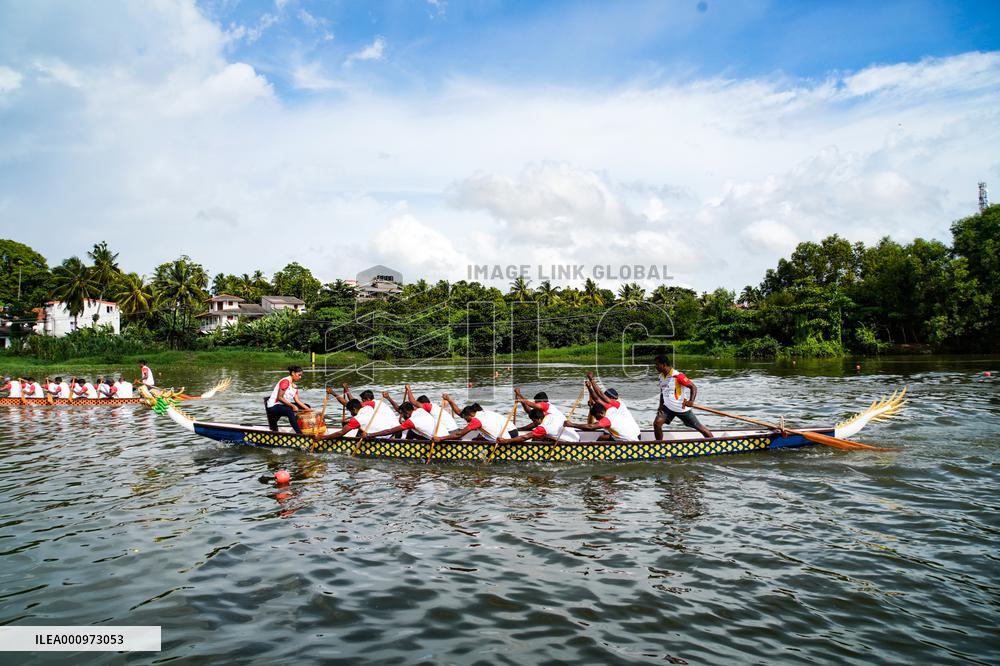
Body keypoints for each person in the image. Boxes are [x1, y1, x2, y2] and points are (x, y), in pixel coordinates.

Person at [653, 355, 713, 439]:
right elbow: (662, 392)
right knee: (657, 424)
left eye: (657, 364)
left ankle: (712, 442)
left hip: (681, 408)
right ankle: (659, 445)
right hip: (667, 408)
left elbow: (693, 387)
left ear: (664, 364)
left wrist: (691, 401)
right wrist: (660, 405)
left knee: (699, 427)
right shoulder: (661, 376)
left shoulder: (678, 376)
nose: (656, 367)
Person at [584, 372, 642, 439]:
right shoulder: (609, 408)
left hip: (631, 436)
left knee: (602, 438)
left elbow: (599, 394)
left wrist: (591, 380)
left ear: (611, 398)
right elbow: (597, 399)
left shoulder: (618, 404)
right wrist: (589, 388)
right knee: (603, 437)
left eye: (605, 398)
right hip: (631, 434)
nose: (602, 400)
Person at [433, 396, 512, 443]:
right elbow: (460, 413)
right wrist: (450, 400)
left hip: (503, 441)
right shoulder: (483, 413)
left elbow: (459, 435)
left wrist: (440, 438)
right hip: (505, 435)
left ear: (470, 414)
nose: (465, 420)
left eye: (465, 418)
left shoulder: (476, 420)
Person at [513, 388, 580, 442]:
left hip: (564, 437)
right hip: (563, 434)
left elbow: (530, 405)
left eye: (536, 402)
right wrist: (521, 429)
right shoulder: (544, 413)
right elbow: (531, 413)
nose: (535, 404)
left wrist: (519, 395)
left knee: (537, 437)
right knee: (538, 436)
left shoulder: (546, 406)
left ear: (542, 402)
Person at [326, 384, 399, 433]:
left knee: (361, 428)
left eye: (362, 400)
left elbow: (349, 404)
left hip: (390, 430)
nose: (361, 403)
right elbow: (353, 403)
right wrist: (347, 390)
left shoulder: (371, 403)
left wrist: (333, 393)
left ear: (368, 399)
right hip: (395, 429)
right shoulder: (378, 403)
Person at [366, 400, 441, 440]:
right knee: (411, 431)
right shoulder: (420, 410)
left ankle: (406, 446)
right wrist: (388, 398)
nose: (401, 416)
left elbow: (389, 431)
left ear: (407, 413)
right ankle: (409, 443)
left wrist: (370, 435)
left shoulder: (411, 421)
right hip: (442, 435)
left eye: (402, 414)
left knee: (407, 431)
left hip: (437, 440)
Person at [564, 402, 641, 441]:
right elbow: (597, 399)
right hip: (634, 438)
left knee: (603, 438)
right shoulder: (612, 410)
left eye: (596, 416)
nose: (596, 419)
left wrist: (571, 424)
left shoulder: (607, 419)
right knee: (602, 438)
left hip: (628, 442)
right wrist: (590, 387)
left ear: (601, 413)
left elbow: (591, 426)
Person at [265, 365, 309, 434]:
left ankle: (306, 428)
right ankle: (299, 434)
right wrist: (292, 406)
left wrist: (308, 409)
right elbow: (279, 397)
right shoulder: (285, 382)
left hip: (282, 405)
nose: (300, 377)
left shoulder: (294, 386)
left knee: (306, 406)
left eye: (301, 375)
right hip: (274, 405)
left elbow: (297, 400)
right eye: (299, 375)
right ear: (293, 373)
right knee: (289, 411)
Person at [496, 407, 565, 444]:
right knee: (537, 437)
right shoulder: (549, 415)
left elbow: (524, 437)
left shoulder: (542, 428)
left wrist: (506, 441)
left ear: (539, 419)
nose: (534, 423)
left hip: (563, 441)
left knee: (535, 438)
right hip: (562, 434)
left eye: (534, 421)